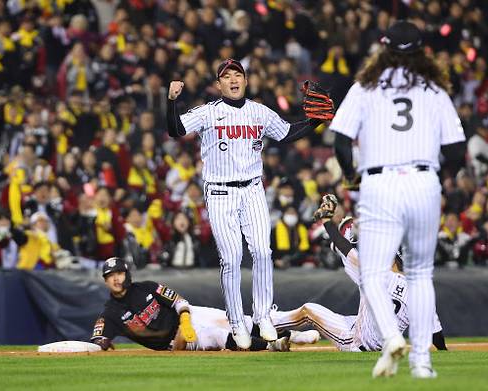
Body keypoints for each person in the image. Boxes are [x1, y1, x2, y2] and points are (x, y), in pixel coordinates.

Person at [166, 58, 334, 348]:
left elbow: (288, 133)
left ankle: (263, 315)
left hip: (253, 188)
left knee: (262, 250)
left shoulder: (259, 111)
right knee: (231, 258)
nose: (233, 79)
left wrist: (316, 122)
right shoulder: (208, 113)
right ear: (219, 85)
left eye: (238, 74)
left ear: (245, 81)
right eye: (227, 76)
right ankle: (235, 322)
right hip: (219, 191)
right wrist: (170, 102)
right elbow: (176, 130)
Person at [330, 21, 466, 378]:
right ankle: (422, 362)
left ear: (384, 47)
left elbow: (341, 141)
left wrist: (349, 175)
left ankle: (391, 337)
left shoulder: (366, 86)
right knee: (420, 275)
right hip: (423, 181)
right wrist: (437, 176)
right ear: (420, 50)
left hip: (381, 182)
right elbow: (457, 149)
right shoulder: (433, 88)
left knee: (373, 272)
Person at [283, 194, 447, 353]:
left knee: (308, 310)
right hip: (371, 337)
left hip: (356, 342)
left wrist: (327, 222)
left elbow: (348, 250)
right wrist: (444, 350)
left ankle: (266, 327)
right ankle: (280, 334)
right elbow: (435, 334)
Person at [89, 257, 320, 352]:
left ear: (127, 274)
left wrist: (186, 318)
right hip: (175, 341)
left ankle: (294, 336)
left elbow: (179, 301)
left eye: (119, 273)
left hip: (188, 317)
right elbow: (98, 340)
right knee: (219, 336)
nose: (116, 278)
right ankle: (273, 347)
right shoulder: (110, 313)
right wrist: (102, 343)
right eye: (110, 275)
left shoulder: (147, 287)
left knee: (240, 322)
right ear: (105, 281)